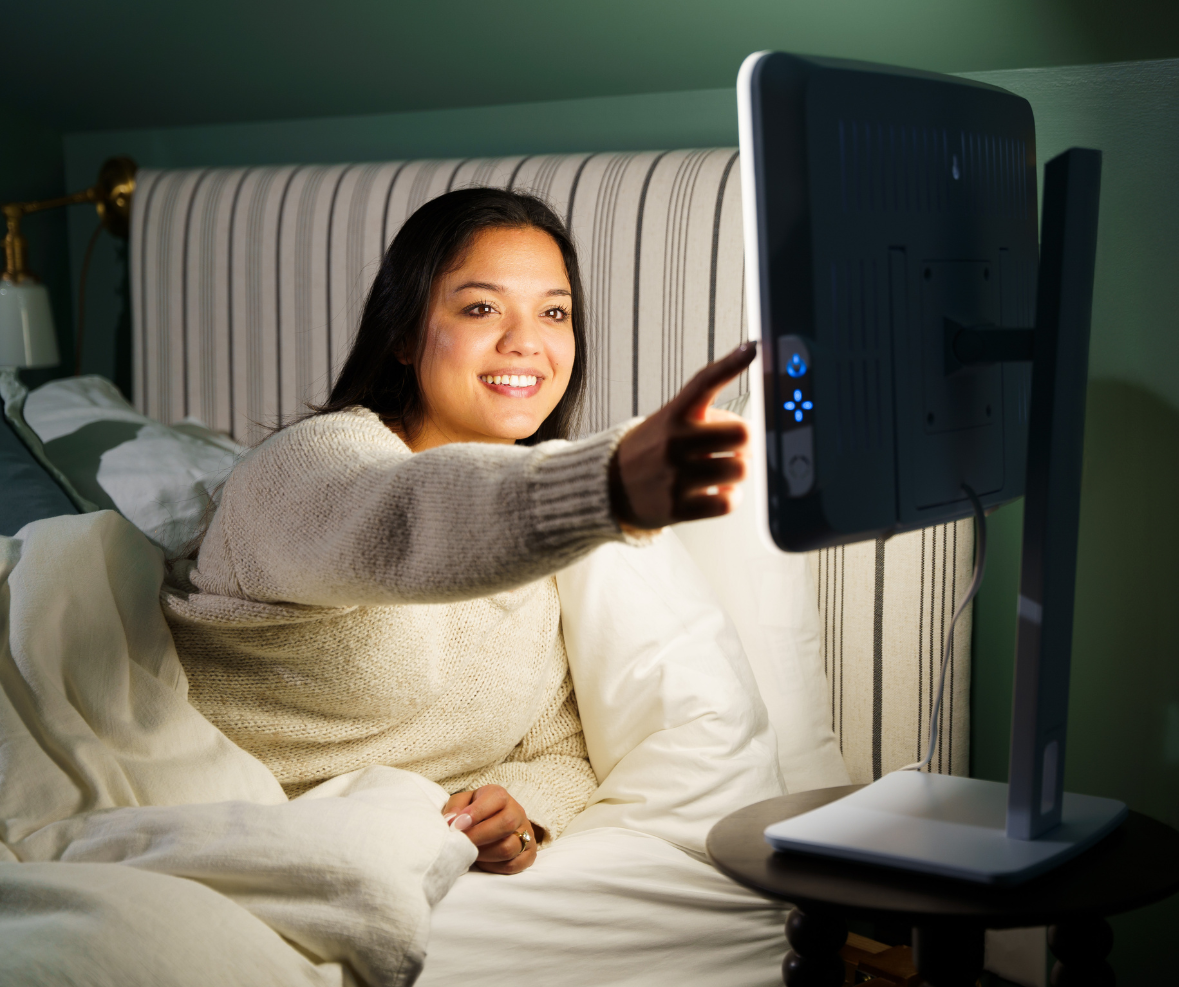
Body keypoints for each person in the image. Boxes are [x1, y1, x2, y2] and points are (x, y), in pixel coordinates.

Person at [162, 187, 759, 875]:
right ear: (405, 335)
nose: (526, 343)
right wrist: (604, 486)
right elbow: (401, 523)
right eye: (481, 308)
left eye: (554, 313)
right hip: (181, 802)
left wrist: (518, 814)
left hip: (354, 839)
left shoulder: (534, 563)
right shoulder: (308, 471)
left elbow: (558, 750)